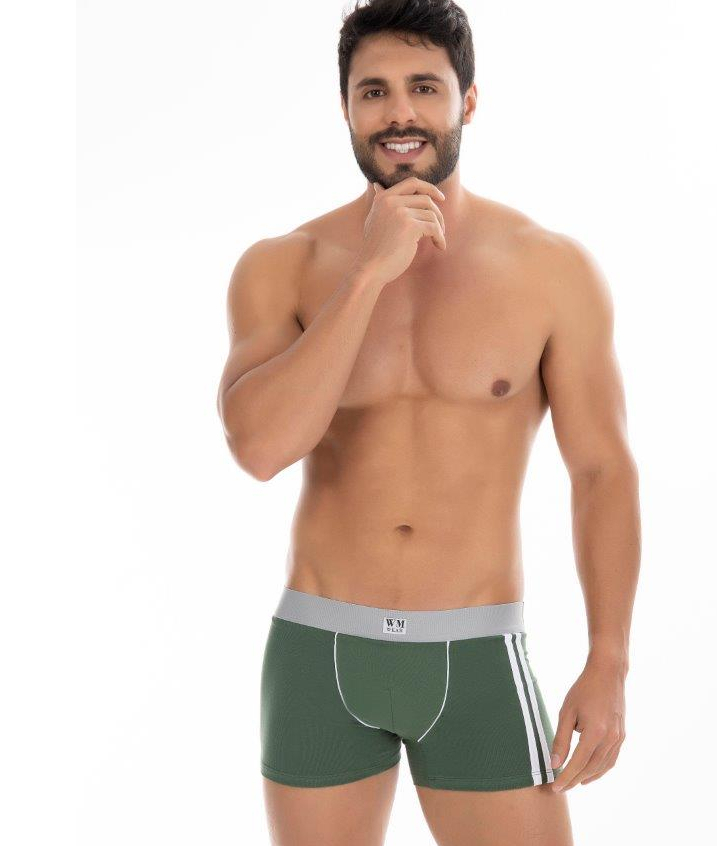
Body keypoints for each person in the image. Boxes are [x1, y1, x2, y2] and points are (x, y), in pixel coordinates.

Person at [216, 1, 640, 843]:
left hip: (477, 653)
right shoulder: (284, 266)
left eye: (424, 87)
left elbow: (602, 470)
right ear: (345, 108)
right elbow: (259, 448)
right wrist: (369, 274)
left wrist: (610, 658)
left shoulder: (551, 270)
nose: (399, 113)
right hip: (319, 651)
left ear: (467, 101)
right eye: (373, 92)